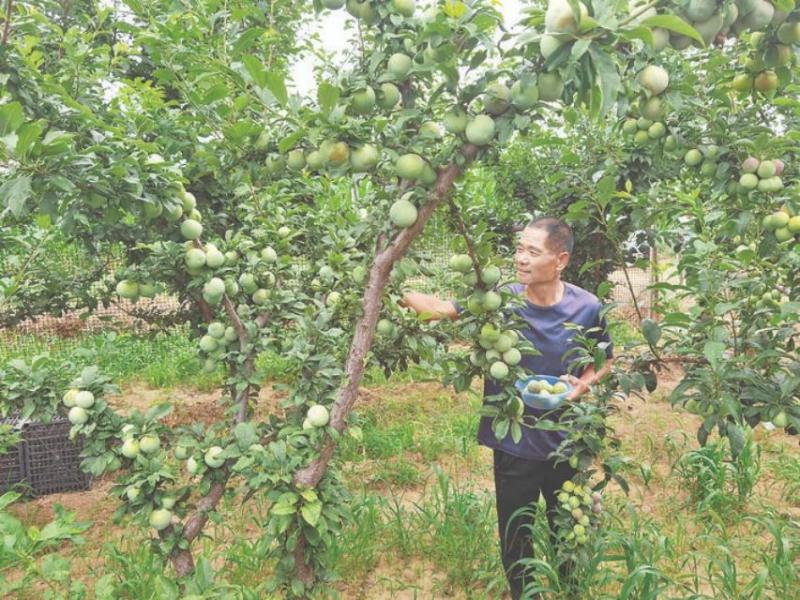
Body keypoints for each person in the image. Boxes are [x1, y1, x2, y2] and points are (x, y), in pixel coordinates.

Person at [401, 217, 614, 599]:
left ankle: (570, 591)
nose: (521, 259)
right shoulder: (500, 303)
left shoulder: (587, 307)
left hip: (568, 438)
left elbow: (603, 361)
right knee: (517, 532)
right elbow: (437, 310)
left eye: (533, 252)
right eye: (519, 249)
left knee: (567, 525)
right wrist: (389, 284)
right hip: (514, 439)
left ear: (560, 259)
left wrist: (582, 385)